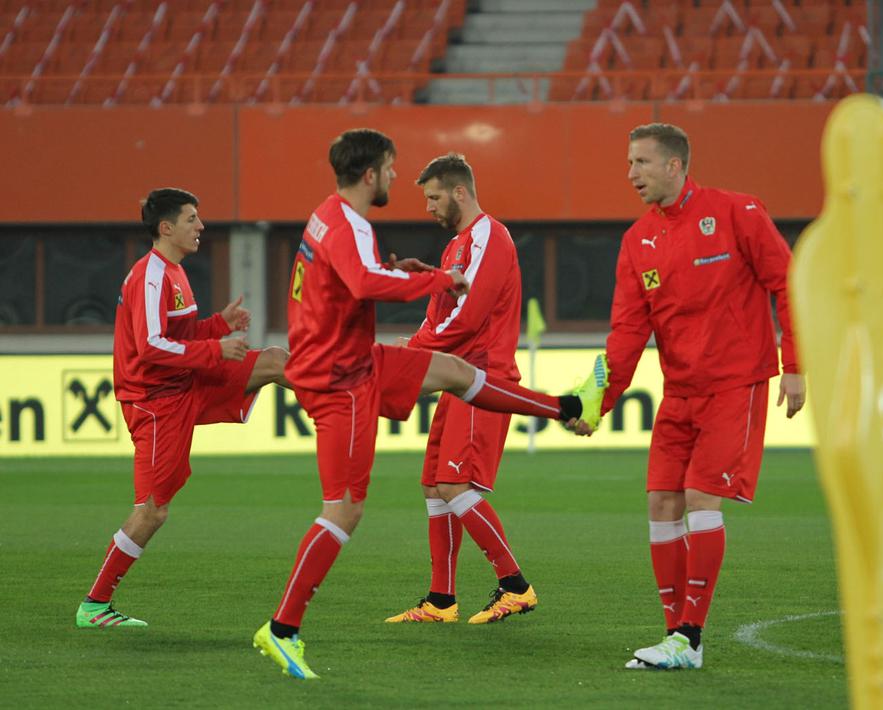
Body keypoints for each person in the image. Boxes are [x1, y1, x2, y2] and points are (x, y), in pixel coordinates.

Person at [252, 128, 606, 680]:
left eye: (433, 195)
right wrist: (435, 281)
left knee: (451, 429)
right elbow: (370, 283)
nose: (404, 185)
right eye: (393, 171)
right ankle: (284, 628)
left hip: (363, 362)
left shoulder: (330, 217)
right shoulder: (357, 226)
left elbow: (452, 315)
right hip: (343, 373)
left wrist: (416, 297)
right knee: (356, 506)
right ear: (371, 173)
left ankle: (564, 412)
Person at [599, 123, 806, 670]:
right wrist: (596, 400)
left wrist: (796, 366)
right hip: (678, 393)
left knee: (699, 500)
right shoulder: (636, 240)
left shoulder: (738, 213)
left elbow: (788, 283)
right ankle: (675, 637)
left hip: (733, 386)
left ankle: (689, 636)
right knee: (660, 504)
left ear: (674, 165)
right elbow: (625, 333)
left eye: (641, 163)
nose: (631, 174)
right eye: (629, 164)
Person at [76, 188, 289, 629]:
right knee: (152, 510)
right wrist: (215, 347)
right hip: (156, 403)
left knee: (272, 360)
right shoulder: (149, 275)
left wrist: (218, 326)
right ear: (166, 228)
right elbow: (151, 346)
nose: (201, 226)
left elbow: (182, 335)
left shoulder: (173, 272)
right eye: (192, 219)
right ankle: (95, 606)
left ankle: (354, 395)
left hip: (185, 383)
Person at [383, 153, 538, 626]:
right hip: (456, 376)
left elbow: (469, 318)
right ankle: (441, 601)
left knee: (454, 483)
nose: (428, 206)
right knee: (434, 484)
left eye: (433, 196)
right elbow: (443, 315)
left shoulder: (490, 235)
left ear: (459, 192)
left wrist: (411, 350)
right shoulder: (456, 249)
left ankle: (516, 586)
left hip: (482, 378)